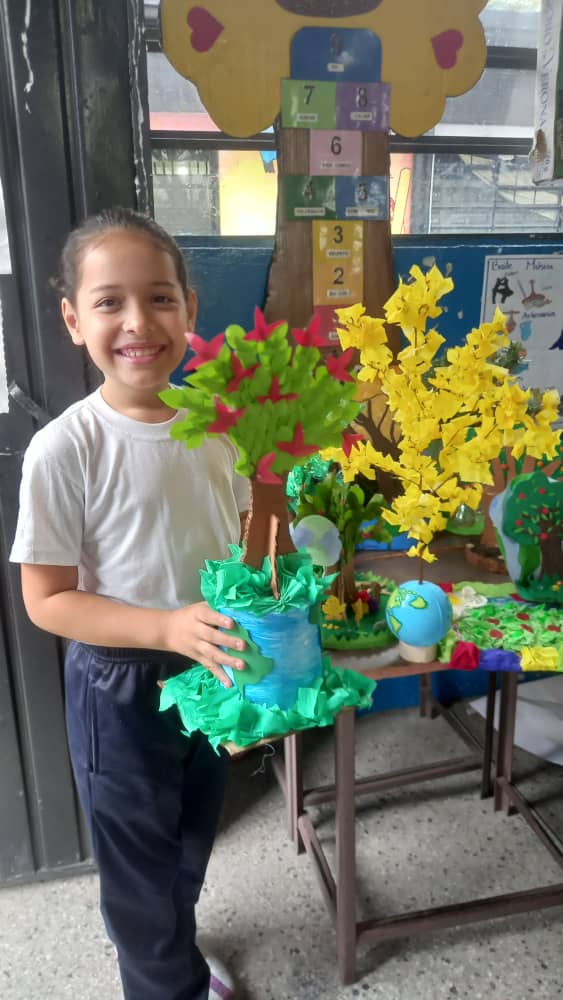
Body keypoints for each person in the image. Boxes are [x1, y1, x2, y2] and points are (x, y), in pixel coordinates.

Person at [10, 207, 249, 1000]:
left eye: (160, 298)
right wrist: (163, 627)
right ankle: (164, 986)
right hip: (120, 685)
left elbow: (243, 541)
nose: (137, 321)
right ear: (74, 320)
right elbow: (47, 600)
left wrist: (253, 678)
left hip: (211, 664)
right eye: (109, 302)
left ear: (188, 309)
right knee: (139, 873)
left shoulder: (219, 428)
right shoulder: (66, 447)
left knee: (188, 839)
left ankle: (173, 954)